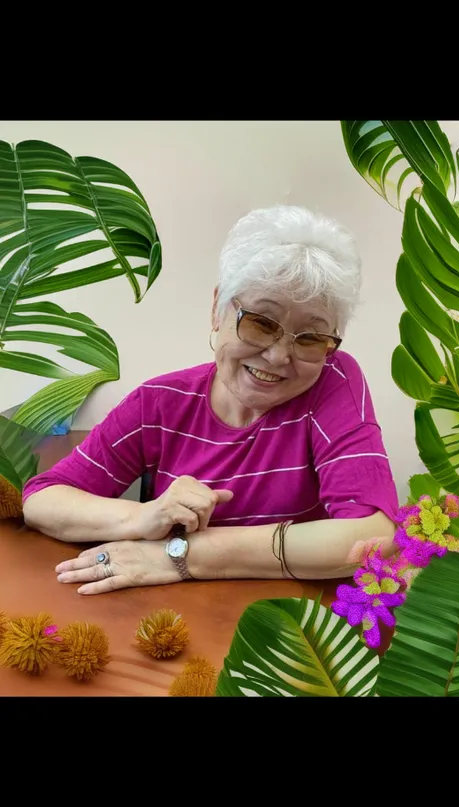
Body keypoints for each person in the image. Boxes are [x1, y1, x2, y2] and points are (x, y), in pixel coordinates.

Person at [22, 205, 398, 595]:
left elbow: (374, 536)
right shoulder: (160, 403)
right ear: (218, 309)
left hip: (288, 626)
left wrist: (182, 555)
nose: (278, 355)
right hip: (175, 621)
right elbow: (43, 499)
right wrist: (143, 516)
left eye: (310, 338)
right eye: (261, 323)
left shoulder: (333, 380)